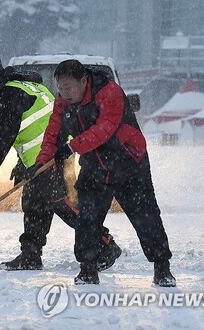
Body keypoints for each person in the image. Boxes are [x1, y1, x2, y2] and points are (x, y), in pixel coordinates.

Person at [0, 49, 121, 271]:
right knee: (34, 205)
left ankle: (106, 245)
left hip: (50, 158)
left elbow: (3, 135)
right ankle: (30, 255)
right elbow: (30, 127)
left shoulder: (9, 94)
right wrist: (23, 164)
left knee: (64, 206)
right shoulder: (21, 85)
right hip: (42, 157)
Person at [34, 58, 176, 286]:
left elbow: (104, 130)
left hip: (128, 164)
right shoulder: (62, 104)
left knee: (146, 218)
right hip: (94, 168)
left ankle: (162, 268)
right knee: (86, 220)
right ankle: (88, 269)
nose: (64, 93)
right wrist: (42, 163)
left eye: (68, 87)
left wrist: (71, 147)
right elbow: (52, 135)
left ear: (83, 81)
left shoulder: (109, 92)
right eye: (60, 88)